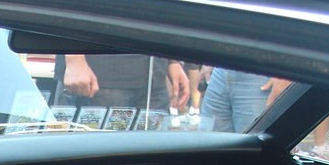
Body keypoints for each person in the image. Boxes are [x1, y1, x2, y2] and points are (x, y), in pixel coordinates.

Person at [57, 54, 189, 121]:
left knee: (152, 163)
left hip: (154, 78)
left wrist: (173, 61)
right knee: (99, 164)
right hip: (102, 77)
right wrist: (74, 59)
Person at [198, 67, 290, 132]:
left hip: (263, 72)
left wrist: (286, 70)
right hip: (221, 68)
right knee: (208, 149)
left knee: (259, 152)